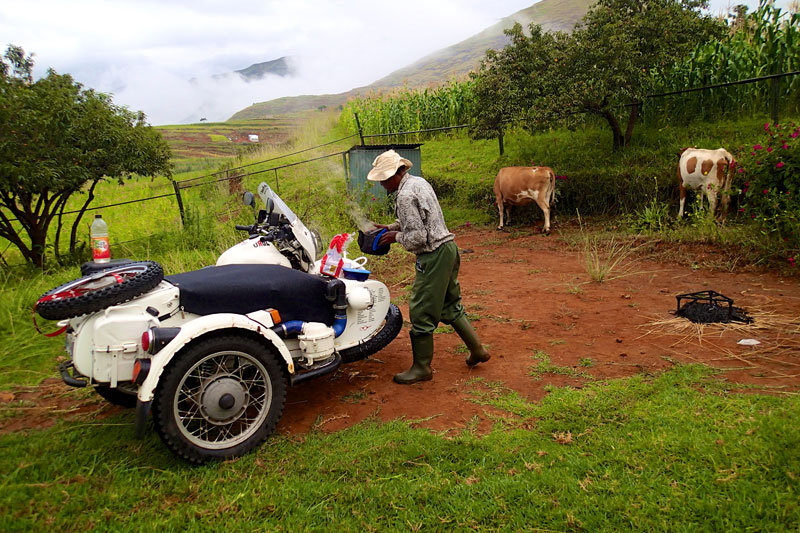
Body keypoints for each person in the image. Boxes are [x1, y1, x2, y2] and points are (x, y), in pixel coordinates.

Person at [367, 149, 490, 385]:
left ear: (395, 174)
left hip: (432, 255)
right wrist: (392, 226)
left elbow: (418, 238)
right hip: (448, 249)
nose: (382, 184)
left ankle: (422, 367)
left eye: (383, 179)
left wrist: (394, 237)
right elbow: (420, 218)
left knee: (421, 310)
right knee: (450, 304)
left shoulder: (403, 197)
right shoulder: (418, 183)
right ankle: (478, 350)